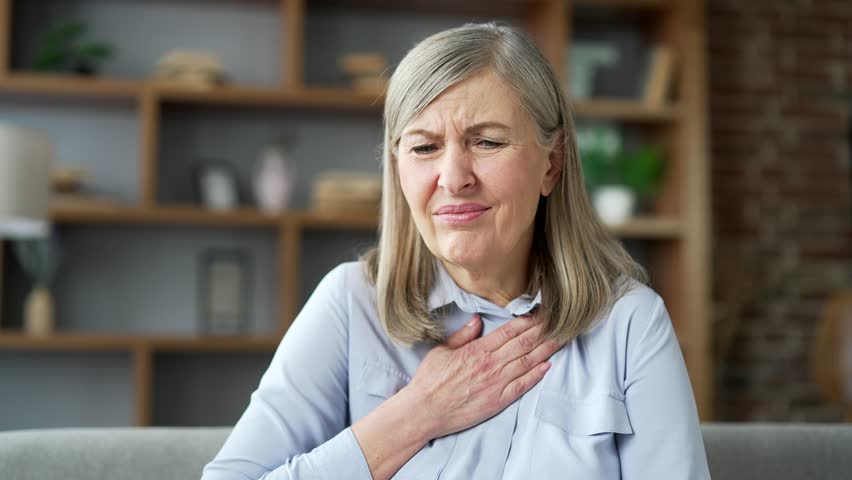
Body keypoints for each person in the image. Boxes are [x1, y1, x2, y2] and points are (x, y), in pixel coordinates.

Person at [202, 22, 710, 480]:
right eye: (424, 148)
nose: (453, 178)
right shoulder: (349, 304)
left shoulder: (629, 324)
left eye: (486, 143)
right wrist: (417, 414)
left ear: (551, 166)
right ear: (398, 167)